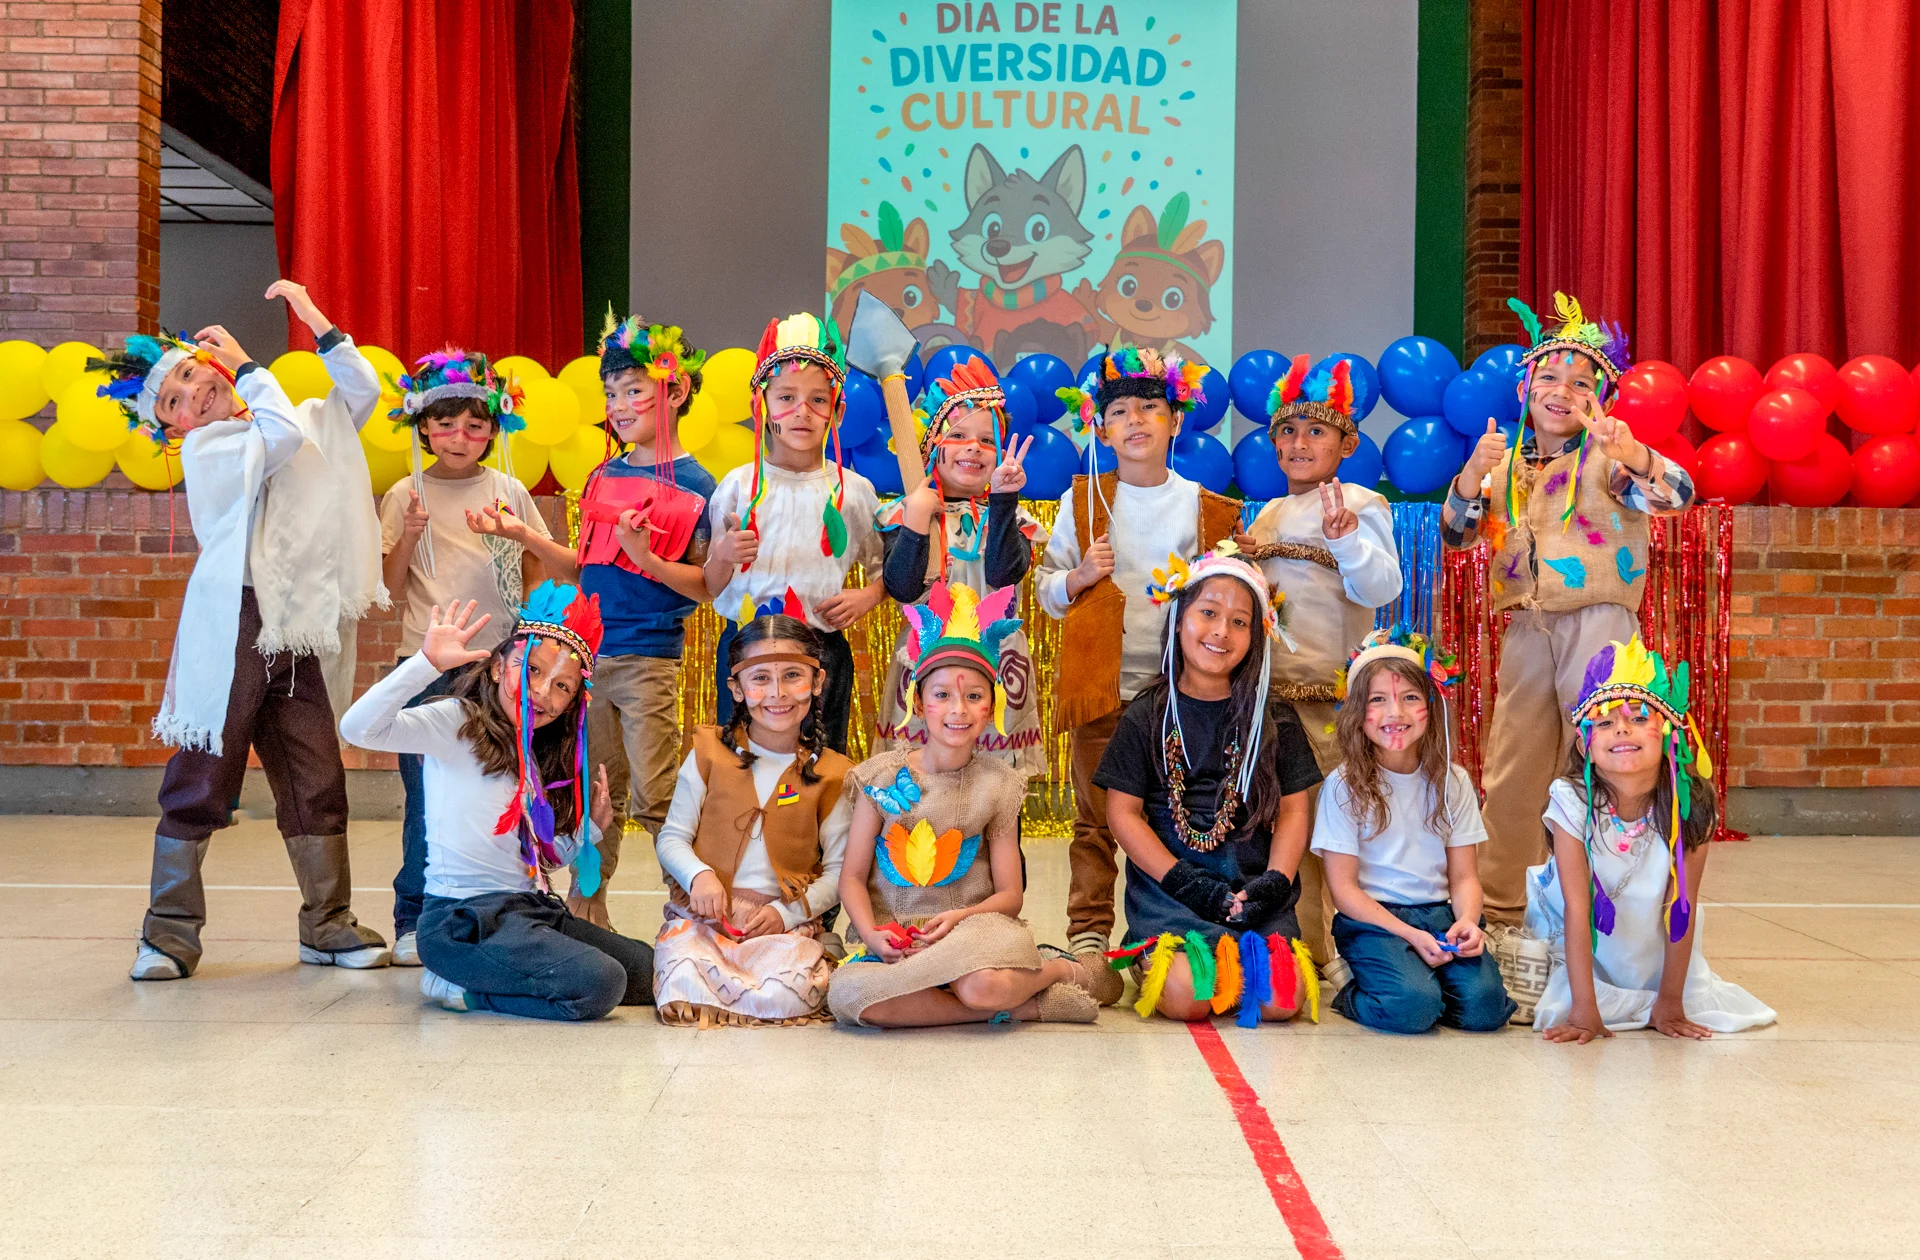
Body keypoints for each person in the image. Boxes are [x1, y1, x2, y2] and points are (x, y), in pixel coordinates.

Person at [98, 281, 389, 980]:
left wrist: (315, 319)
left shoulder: (291, 414)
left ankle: (327, 924)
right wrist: (250, 364)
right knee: (204, 772)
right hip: (236, 617)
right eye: (172, 401)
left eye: (195, 375)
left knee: (315, 771)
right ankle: (168, 933)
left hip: (294, 623)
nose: (192, 395)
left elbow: (362, 391)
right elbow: (279, 435)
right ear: (170, 429)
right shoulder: (216, 450)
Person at [1442, 293, 1695, 942]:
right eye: (1549, 378)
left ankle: (1628, 917)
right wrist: (1472, 476)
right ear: (1527, 388)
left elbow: (1677, 494)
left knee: (1614, 763)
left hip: (1598, 625)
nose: (1563, 391)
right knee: (1515, 768)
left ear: (1599, 399)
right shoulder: (1503, 466)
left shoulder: (1610, 458)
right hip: (1527, 629)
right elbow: (1457, 535)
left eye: (1581, 383)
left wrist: (1634, 453)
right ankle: (1503, 916)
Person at [339, 585, 657, 1021]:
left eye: (562, 685)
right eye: (532, 670)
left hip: (529, 912)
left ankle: (503, 973)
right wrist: (425, 664)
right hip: (463, 923)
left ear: (570, 704)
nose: (543, 691)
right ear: (495, 667)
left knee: (650, 970)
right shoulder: (456, 721)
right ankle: (459, 989)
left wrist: (589, 831)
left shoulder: (535, 758)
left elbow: (535, 864)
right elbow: (359, 729)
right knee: (601, 984)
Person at [1036, 347, 1243, 1003]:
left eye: (1150, 408)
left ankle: (1165, 935)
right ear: (1101, 428)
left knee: (1175, 819)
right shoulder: (1083, 501)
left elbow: (1229, 600)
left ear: (1175, 421)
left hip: (1182, 697)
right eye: (1120, 410)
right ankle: (1090, 942)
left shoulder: (1205, 509)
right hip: (1105, 692)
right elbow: (1046, 591)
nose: (1135, 421)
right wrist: (1079, 577)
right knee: (1096, 823)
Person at [827, 581, 1099, 1027]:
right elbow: (852, 878)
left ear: (991, 707)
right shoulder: (878, 778)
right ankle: (1031, 1005)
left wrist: (959, 918)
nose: (958, 709)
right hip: (897, 931)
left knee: (981, 986)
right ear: (918, 703)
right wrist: (874, 936)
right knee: (853, 999)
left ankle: (1058, 968)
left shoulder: (1000, 785)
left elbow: (1010, 895)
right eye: (942, 696)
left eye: (974, 697)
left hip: (972, 931)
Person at [378, 347, 563, 964]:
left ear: (496, 428)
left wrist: (534, 632)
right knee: (427, 800)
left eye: (476, 425)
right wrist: (407, 534)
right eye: (447, 424)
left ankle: (510, 904)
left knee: (508, 790)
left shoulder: (508, 489)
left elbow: (536, 561)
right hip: (430, 669)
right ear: (422, 426)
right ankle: (415, 918)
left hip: (501, 670)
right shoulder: (407, 492)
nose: (461, 436)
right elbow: (390, 585)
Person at [1097, 544, 1323, 1024]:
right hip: (1174, 894)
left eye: (1240, 621)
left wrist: (1275, 882)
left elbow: (1293, 812)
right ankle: (1171, 957)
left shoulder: (1275, 717)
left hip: (1251, 890)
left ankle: (1244, 953)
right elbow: (1123, 814)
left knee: (1281, 1002)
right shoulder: (1146, 715)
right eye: (1208, 613)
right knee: (1188, 997)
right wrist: (1186, 882)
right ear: (1179, 620)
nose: (1222, 630)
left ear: (1257, 637)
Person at [1525, 636, 1774, 1042]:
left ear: (1670, 734)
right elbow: (1577, 906)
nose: (1621, 727)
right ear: (1585, 743)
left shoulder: (1690, 803)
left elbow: (1683, 905)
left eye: (1639, 718)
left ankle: (1659, 992)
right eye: (1604, 722)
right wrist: (1584, 1010)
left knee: (1674, 1001)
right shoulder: (1571, 799)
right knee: (1566, 998)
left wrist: (1671, 1001)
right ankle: (1592, 994)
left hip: (1653, 942)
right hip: (1582, 945)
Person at [1240, 355, 1402, 976]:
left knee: (1347, 823)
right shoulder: (1270, 514)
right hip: (1274, 699)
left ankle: (1370, 947)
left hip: (1335, 700)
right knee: (1290, 822)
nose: (1299, 443)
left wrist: (1344, 540)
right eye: (1287, 432)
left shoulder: (1362, 501)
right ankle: (1306, 949)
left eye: (1316, 432)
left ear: (1347, 443)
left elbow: (1380, 586)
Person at [564, 313, 718, 928]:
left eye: (634, 390)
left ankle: (682, 916)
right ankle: (586, 911)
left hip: (648, 660)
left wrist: (647, 557)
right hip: (586, 657)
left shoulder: (699, 484)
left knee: (656, 794)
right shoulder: (604, 473)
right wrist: (522, 534)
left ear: (675, 392)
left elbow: (706, 585)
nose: (620, 405)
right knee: (594, 793)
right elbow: (584, 566)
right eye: (611, 394)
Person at [651, 613, 854, 1025]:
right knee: (683, 981)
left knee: (788, 993)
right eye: (760, 678)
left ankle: (810, 952)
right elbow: (672, 837)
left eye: (793, 676)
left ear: (817, 683)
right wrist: (698, 876)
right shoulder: (708, 753)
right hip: (706, 920)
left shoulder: (834, 773)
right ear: (737, 689)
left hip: (778, 925)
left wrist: (788, 914)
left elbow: (839, 873)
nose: (777, 694)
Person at [1311, 631, 1514, 1034]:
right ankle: (1356, 990)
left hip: (1440, 914)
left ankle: (1425, 982)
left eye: (1410, 698)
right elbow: (1344, 891)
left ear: (1431, 707)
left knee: (1487, 1010)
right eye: (1378, 700)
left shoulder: (1452, 781)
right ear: (1357, 713)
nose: (1395, 713)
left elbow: (1465, 876)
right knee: (1412, 1008)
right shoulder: (1343, 785)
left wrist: (1469, 921)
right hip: (1375, 920)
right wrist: (1408, 934)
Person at [704, 312, 884, 754]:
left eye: (818, 400)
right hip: (746, 647)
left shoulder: (855, 491)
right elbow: (710, 584)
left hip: (820, 650)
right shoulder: (737, 486)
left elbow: (889, 568)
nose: (802, 412)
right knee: (740, 763)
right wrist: (724, 554)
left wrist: (869, 596)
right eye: (786, 397)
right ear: (762, 407)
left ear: (836, 411)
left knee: (820, 765)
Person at [874, 355, 1048, 773]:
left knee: (998, 788)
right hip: (924, 663)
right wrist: (918, 519)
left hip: (996, 665)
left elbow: (1003, 574)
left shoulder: (1012, 519)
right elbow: (902, 586)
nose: (975, 446)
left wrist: (1004, 499)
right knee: (917, 786)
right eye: (959, 435)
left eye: (988, 441)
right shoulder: (905, 513)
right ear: (931, 447)